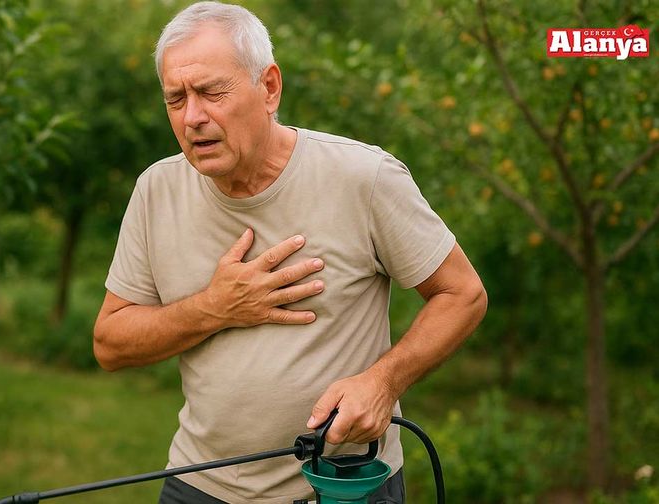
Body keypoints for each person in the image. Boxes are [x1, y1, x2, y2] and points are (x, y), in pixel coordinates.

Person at [93, 2, 487, 503]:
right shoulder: (156, 190)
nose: (193, 117)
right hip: (200, 486)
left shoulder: (364, 178)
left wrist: (384, 382)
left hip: (344, 485)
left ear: (269, 88)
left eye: (212, 92)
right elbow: (111, 343)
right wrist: (214, 308)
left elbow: (463, 294)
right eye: (176, 99)